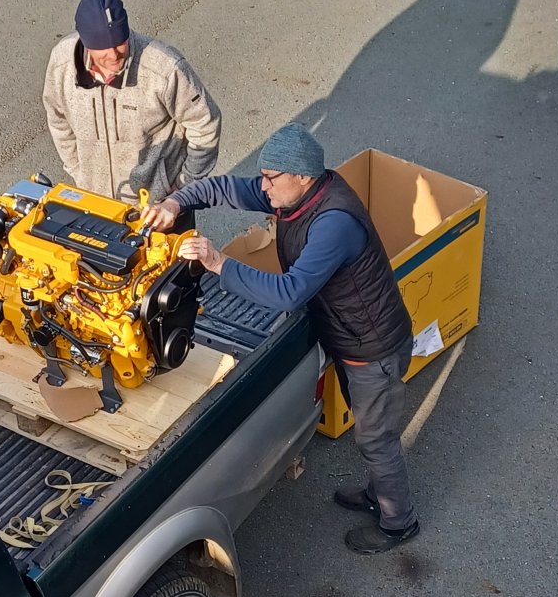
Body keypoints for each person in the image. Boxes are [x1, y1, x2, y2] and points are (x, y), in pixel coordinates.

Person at [143, 123, 419, 555]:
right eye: (263, 177)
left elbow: (290, 292)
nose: (263, 187)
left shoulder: (334, 223)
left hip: (373, 349)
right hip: (347, 335)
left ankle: (398, 521)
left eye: (271, 178)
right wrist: (175, 202)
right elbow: (224, 188)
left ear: (302, 177)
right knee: (369, 427)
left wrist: (219, 263)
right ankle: (377, 491)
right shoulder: (294, 195)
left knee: (375, 439)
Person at [42, 0, 221, 230]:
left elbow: (205, 123)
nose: (114, 54)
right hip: (95, 206)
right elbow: (57, 118)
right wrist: (78, 170)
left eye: (120, 42)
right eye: (103, 49)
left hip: (158, 210)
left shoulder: (164, 68)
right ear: (86, 43)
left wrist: (182, 188)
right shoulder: (62, 64)